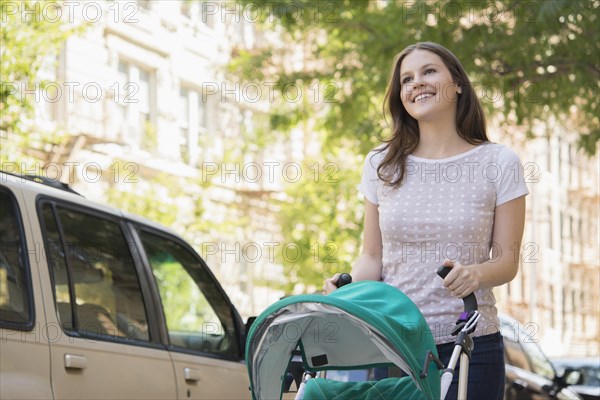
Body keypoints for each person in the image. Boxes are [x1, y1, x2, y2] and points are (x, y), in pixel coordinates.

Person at [323, 42, 529, 399]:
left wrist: (475, 274)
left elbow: (507, 261)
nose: (416, 83)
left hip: (470, 347)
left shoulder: (499, 162)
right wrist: (347, 290)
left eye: (429, 71)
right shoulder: (381, 164)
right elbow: (373, 257)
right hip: (392, 344)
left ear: (458, 84)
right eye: (406, 79)